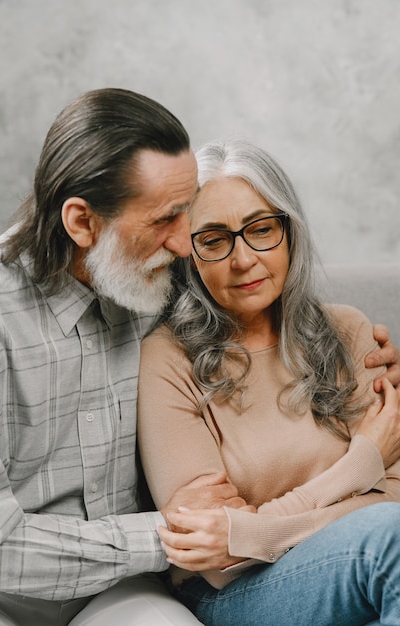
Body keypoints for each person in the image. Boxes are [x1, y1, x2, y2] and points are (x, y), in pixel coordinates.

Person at [0, 88, 252, 626]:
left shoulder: (161, 275)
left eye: (190, 210)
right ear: (81, 222)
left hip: (117, 590)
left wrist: (354, 348)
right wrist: (170, 532)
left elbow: (265, 313)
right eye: (164, 219)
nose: (184, 244)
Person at [138, 138, 400, 625]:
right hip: (235, 596)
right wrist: (361, 465)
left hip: (358, 566)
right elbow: (213, 557)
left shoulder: (349, 331)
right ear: (187, 254)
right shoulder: (168, 358)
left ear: (290, 234)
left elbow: (397, 494)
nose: (243, 259)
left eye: (261, 230)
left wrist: (252, 531)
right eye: (214, 240)